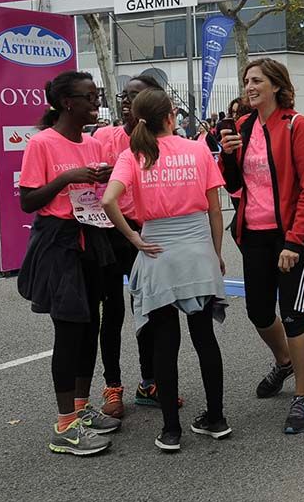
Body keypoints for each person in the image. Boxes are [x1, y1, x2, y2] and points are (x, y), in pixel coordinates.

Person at [101, 88, 230, 452]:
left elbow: (109, 200)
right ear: (172, 116)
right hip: (197, 249)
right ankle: (216, 418)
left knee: (164, 343)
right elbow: (215, 210)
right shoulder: (197, 148)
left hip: (157, 250)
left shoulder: (133, 155)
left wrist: (135, 239)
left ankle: (171, 430)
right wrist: (215, 252)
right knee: (205, 338)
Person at [219, 58, 304, 434]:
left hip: (296, 236)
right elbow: (233, 183)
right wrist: (227, 154)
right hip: (254, 235)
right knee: (259, 313)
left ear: (277, 86)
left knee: (293, 314)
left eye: (257, 80)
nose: (249, 86)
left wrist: (294, 241)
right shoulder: (243, 126)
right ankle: (284, 362)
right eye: (246, 80)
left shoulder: (298, 126)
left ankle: (303, 397)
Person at [17, 70, 120, 456]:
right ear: (67, 103)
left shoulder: (93, 142)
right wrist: (68, 179)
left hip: (92, 238)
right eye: (89, 97)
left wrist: (103, 177)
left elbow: (95, 193)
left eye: (97, 95)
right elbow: (28, 202)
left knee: (90, 323)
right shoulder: (42, 143)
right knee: (69, 331)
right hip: (58, 242)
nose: (96, 102)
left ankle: (81, 408)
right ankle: (65, 427)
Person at [92, 74, 171, 418]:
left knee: (149, 311)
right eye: (124, 96)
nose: (127, 101)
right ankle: (113, 387)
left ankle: (149, 383)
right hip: (109, 235)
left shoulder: (162, 143)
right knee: (113, 313)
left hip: (144, 233)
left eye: (135, 96)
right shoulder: (102, 137)